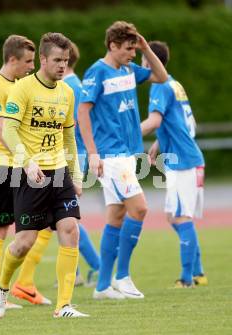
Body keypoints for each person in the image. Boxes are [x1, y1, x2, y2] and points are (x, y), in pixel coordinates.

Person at [0, 32, 89, 318]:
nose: (62, 65)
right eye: (57, 60)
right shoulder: (22, 89)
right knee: (24, 243)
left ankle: (64, 306)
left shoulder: (67, 92)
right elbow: (8, 129)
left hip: (58, 173)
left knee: (71, 229)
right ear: (43, 59)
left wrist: (76, 175)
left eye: (66, 61)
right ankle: (2, 287)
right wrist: (27, 162)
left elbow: (68, 136)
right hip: (28, 175)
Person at [77, 21, 168, 300]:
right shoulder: (97, 72)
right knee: (139, 209)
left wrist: (145, 47)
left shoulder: (129, 70)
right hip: (111, 155)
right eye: (128, 48)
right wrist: (92, 153)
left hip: (127, 153)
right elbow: (82, 113)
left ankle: (103, 286)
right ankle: (123, 276)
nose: (132, 53)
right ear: (112, 46)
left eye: (134, 48)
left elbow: (161, 76)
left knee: (116, 216)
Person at [0, 35, 51, 309]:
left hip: (20, 165)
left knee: (38, 224)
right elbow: (0, 129)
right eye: (28, 61)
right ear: (12, 60)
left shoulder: (21, 85)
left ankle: (24, 284)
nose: (32, 67)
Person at [140, 41, 207, 288]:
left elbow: (155, 120)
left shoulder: (159, 86)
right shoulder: (174, 83)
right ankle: (198, 271)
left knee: (181, 217)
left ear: (149, 61)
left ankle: (188, 278)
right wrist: (160, 142)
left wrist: (129, 135)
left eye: (142, 60)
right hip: (185, 157)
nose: (141, 65)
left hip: (184, 162)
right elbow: (181, 119)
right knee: (173, 216)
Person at [62, 41, 101, 287]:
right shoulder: (78, 85)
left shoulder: (67, 87)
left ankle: (97, 267)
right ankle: (75, 272)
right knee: (63, 218)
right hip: (76, 155)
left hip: (71, 156)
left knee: (67, 218)